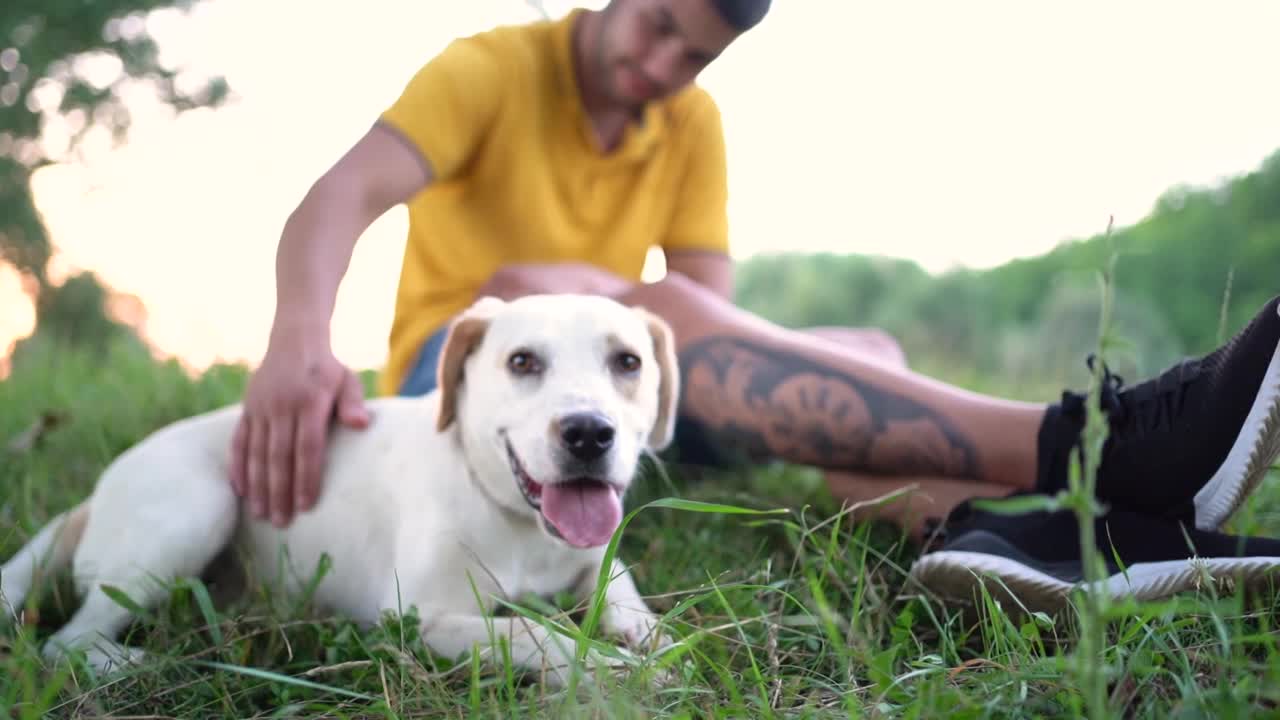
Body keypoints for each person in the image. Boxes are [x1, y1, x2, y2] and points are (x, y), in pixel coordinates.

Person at [226, 0, 1280, 602]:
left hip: (618, 403)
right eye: (655, 26)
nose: (661, 65)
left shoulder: (689, 122)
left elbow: (706, 315)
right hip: (475, 388)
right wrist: (296, 337)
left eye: (694, 54)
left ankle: (1000, 534)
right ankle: (1096, 442)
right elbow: (339, 195)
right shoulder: (491, 68)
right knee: (561, 293)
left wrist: (641, 316)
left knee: (854, 343)